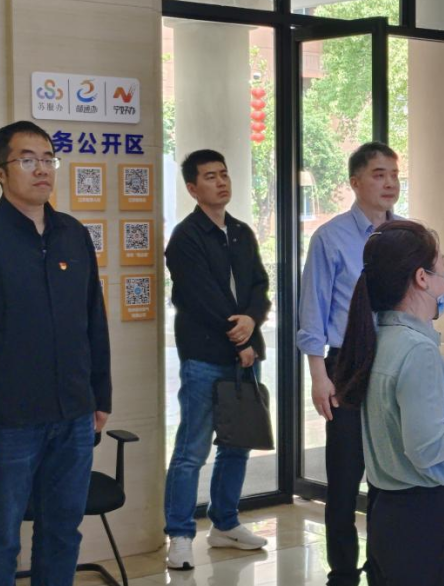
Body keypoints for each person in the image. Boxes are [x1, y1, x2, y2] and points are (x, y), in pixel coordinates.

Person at [332, 220, 444, 585]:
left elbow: (402, 415)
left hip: (391, 510)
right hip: (427, 514)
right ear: (421, 278)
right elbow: (426, 448)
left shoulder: (383, 339)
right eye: (442, 266)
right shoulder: (417, 351)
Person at [0, 121, 112, 586]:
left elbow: (93, 319)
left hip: (74, 413)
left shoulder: (73, 234)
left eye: (48, 159)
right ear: (1, 173)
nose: (42, 169)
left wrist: (100, 395)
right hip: (10, 420)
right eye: (27, 160)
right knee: (0, 539)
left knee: (62, 531)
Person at [297, 142, 402, 586]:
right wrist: (318, 375)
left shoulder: (408, 236)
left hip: (398, 361)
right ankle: (342, 573)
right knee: (344, 476)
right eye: (379, 174)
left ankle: (383, 568)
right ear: (355, 182)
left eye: (394, 174)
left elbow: (439, 292)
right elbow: (313, 312)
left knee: (390, 475)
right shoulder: (330, 237)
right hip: (347, 365)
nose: (390, 182)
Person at [164, 149, 272, 569]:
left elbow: (259, 285)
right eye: (210, 177)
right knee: (191, 450)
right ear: (193, 189)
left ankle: (225, 523)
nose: (221, 182)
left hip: (245, 356)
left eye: (224, 174)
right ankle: (179, 534)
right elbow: (202, 298)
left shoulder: (241, 232)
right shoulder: (185, 238)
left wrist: (252, 319)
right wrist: (239, 336)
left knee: (237, 445)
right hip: (206, 357)